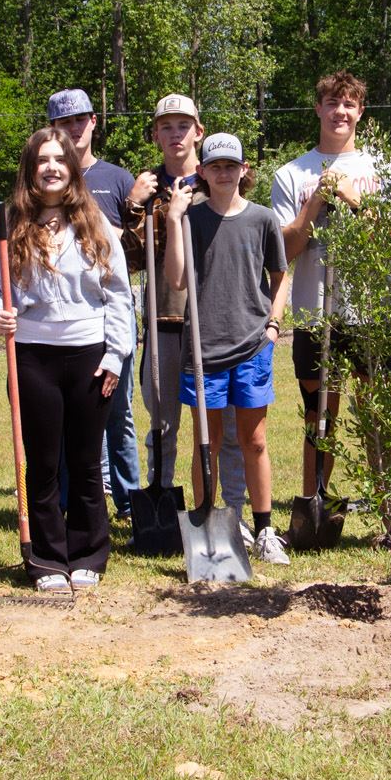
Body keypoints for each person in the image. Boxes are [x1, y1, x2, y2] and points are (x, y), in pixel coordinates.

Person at [0, 127, 135, 591]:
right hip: (32, 357)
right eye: (42, 159)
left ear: (71, 168)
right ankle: (47, 557)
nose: (51, 167)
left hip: (89, 356)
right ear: (30, 169)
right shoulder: (8, 225)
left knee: (87, 462)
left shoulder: (96, 224)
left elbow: (119, 296)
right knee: (43, 463)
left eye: (59, 159)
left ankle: (88, 552)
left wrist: (114, 355)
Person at [163, 133, 291, 562]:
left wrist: (273, 326)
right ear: (202, 172)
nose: (223, 173)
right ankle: (207, 523)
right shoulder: (191, 219)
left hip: (253, 345)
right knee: (208, 441)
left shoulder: (262, 219)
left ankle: (265, 529)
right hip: (204, 350)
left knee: (254, 440)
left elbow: (280, 275)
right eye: (214, 166)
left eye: (230, 166)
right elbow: (177, 279)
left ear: (244, 170)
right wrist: (173, 218)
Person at [118, 94, 247, 509]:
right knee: (163, 422)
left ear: (199, 131)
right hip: (165, 318)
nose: (176, 134)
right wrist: (135, 206)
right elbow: (132, 260)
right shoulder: (149, 189)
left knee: (223, 427)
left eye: (183, 126)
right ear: (156, 134)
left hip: (215, 323)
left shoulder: (219, 179)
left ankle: (231, 510)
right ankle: (162, 503)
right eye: (166, 126)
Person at [271, 70, 380, 504]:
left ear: (360, 111)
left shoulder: (381, 169)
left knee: (376, 415)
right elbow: (286, 249)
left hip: (371, 313)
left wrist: (355, 200)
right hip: (317, 314)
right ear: (318, 108)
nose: (340, 111)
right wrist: (317, 199)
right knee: (320, 417)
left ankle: (387, 512)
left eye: (349, 104)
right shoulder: (291, 174)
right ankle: (315, 502)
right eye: (332, 103)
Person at [47, 88, 141, 519]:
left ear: (93, 122)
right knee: (67, 415)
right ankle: (71, 499)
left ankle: (128, 500)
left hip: (112, 312)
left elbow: (135, 255)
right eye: (64, 123)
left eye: (80, 120)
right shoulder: (48, 178)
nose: (73, 129)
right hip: (67, 319)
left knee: (117, 410)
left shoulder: (118, 180)